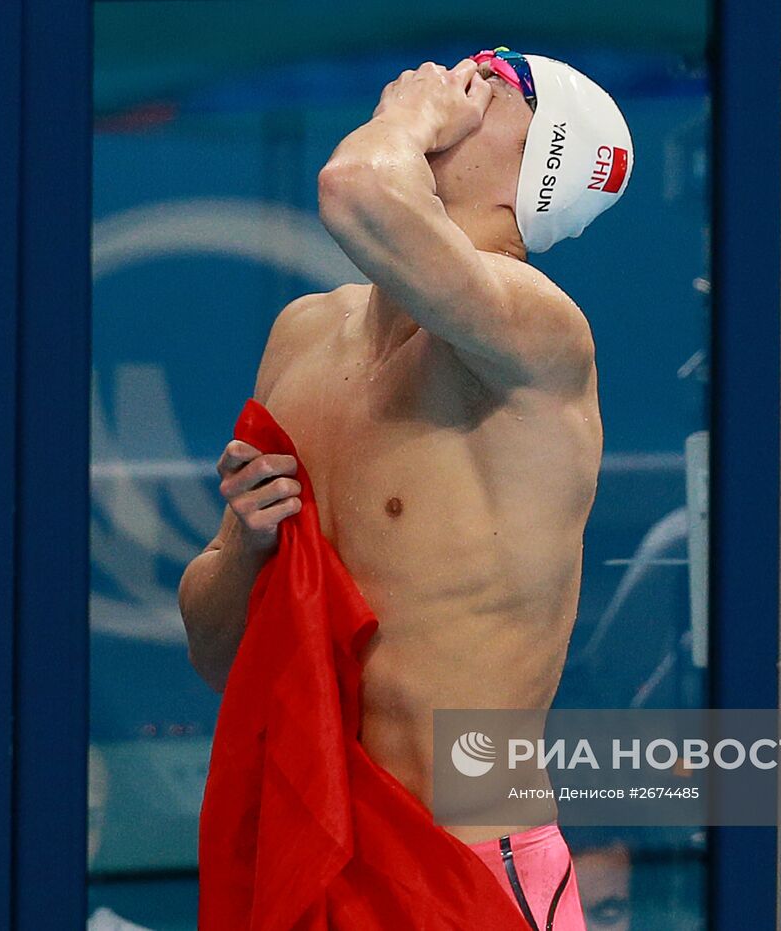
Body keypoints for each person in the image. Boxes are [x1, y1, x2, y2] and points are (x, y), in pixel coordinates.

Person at [180, 47, 632, 929]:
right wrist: (247, 545)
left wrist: (408, 120)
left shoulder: (539, 340)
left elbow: (355, 186)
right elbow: (218, 657)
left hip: (464, 864)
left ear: (542, 161)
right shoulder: (304, 335)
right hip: (309, 852)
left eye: (489, 87)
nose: (448, 79)